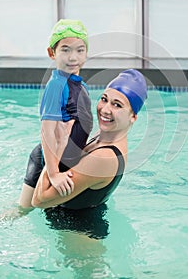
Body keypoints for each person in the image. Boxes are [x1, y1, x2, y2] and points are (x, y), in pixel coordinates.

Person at [31, 69, 147, 237]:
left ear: (133, 116)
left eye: (117, 105)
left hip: (79, 239)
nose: (105, 110)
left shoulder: (103, 158)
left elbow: (39, 200)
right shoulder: (102, 136)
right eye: (104, 99)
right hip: (75, 224)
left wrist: (55, 147)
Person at [19, 19, 93, 209]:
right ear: (52, 53)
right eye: (65, 49)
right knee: (20, 212)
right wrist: (52, 173)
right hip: (46, 161)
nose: (72, 57)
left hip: (60, 159)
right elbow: (47, 132)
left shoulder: (78, 83)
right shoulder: (56, 85)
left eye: (79, 50)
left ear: (86, 53)